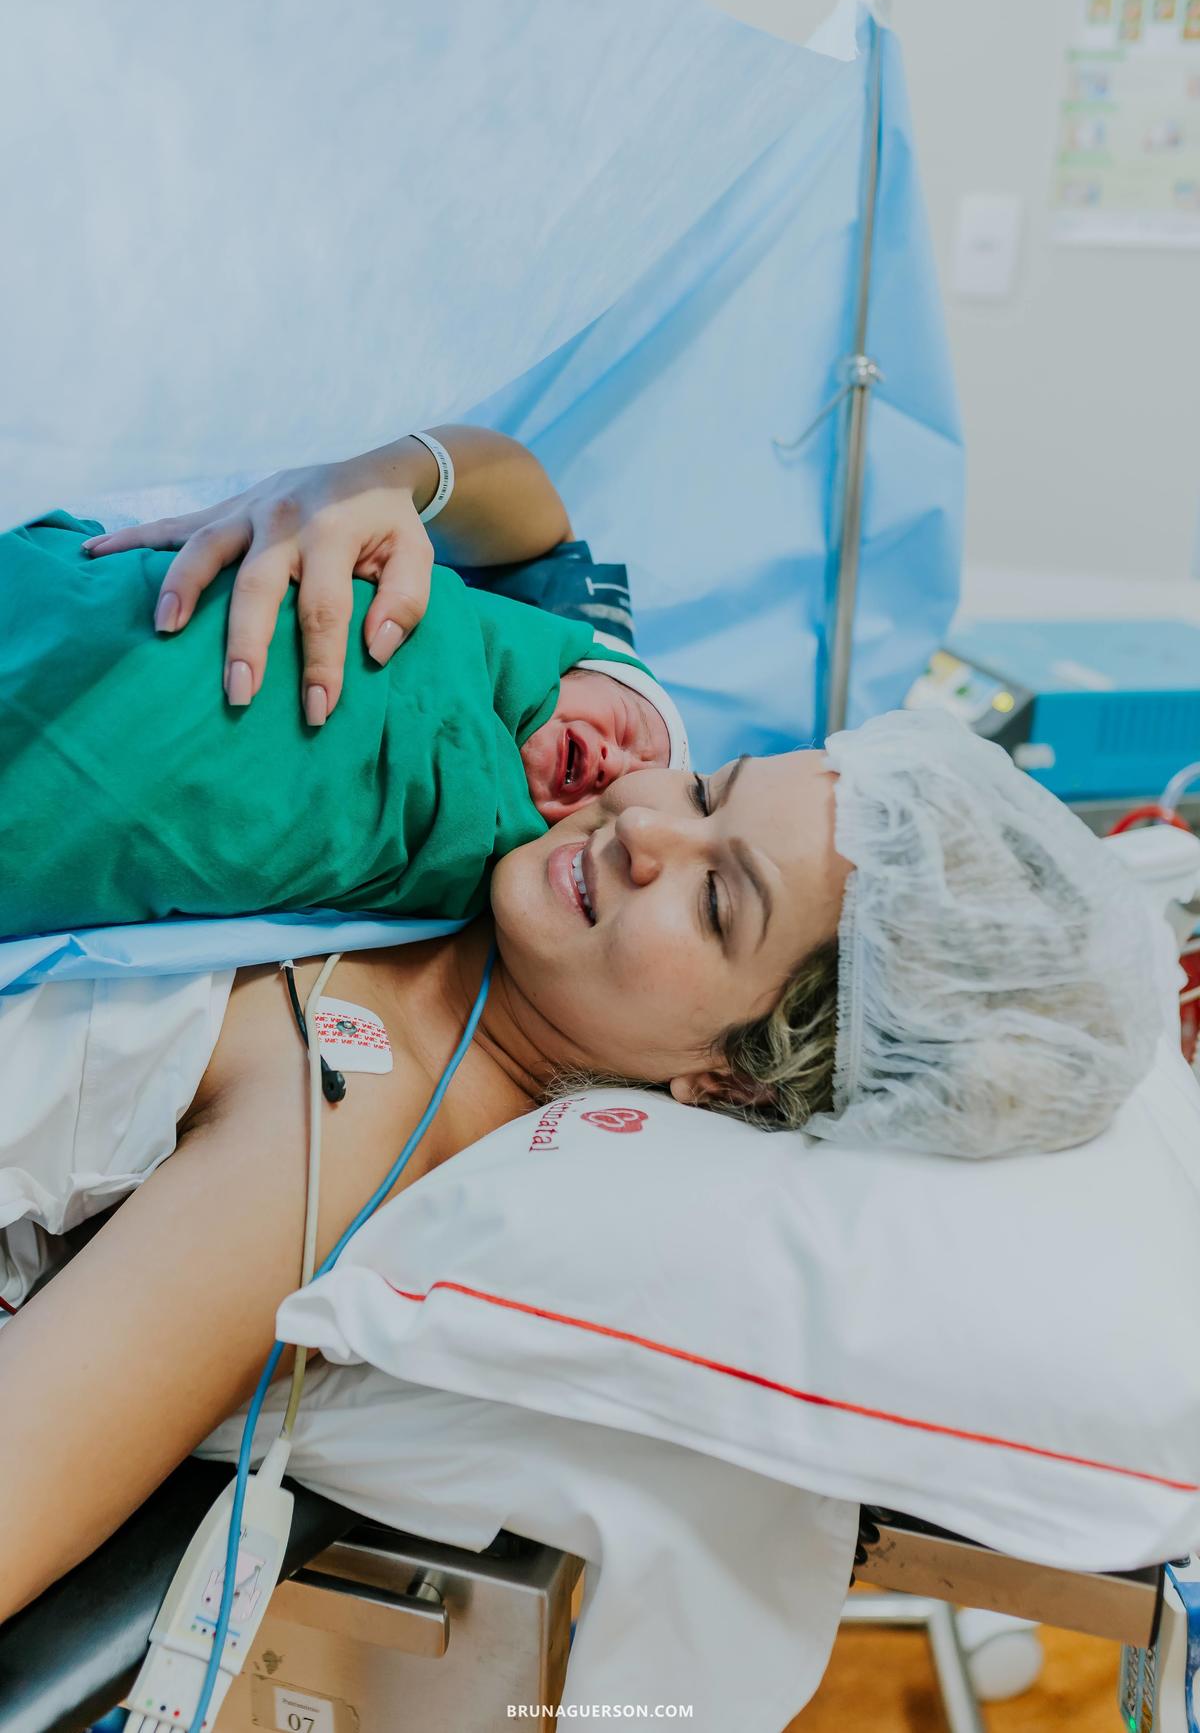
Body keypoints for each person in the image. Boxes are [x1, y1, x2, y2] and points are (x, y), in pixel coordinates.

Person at [0, 691, 1162, 1622]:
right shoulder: (507, 837)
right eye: (709, 790)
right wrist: (398, 480)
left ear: (734, 1078)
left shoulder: (332, 1124)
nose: (645, 825)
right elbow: (540, 522)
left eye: (718, 902)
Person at [0, 429, 689, 939]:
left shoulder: (530, 904)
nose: (616, 766)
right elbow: (538, 518)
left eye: (616, 794)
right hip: (92, 610)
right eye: (633, 733)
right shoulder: (573, 639)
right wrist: (391, 476)